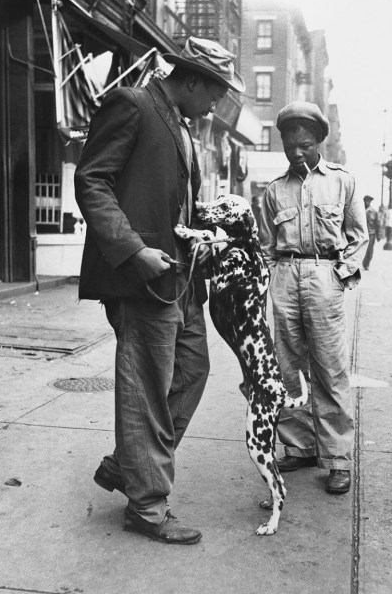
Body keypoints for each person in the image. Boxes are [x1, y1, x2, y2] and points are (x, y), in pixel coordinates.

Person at [74, 37, 245, 544]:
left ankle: (130, 464)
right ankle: (147, 506)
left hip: (183, 279)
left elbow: (175, 202)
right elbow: (92, 181)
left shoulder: (183, 125)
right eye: (214, 93)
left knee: (192, 370)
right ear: (191, 80)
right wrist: (131, 249)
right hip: (143, 279)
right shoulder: (132, 104)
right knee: (146, 386)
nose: (217, 104)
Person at [259, 101, 368, 495]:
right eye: (290, 146)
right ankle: (300, 445)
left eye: (304, 144)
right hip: (285, 278)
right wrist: (268, 281)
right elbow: (267, 246)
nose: (297, 152)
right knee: (287, 367)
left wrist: (340, 275)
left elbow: (359, 237)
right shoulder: (273, 191)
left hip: (325, 276)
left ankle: (337, 458)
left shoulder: (343, 182)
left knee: (329, 368)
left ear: (319, 141)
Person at [362, 195, 381, 270]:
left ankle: (366, 263)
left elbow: (377, 224)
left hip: (371, 233)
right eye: (366, 200)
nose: (367, 202)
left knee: (369, 250)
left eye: (369, 201)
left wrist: (378, 235)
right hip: (361, 233)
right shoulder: (360, 210)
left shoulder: (374, 212)